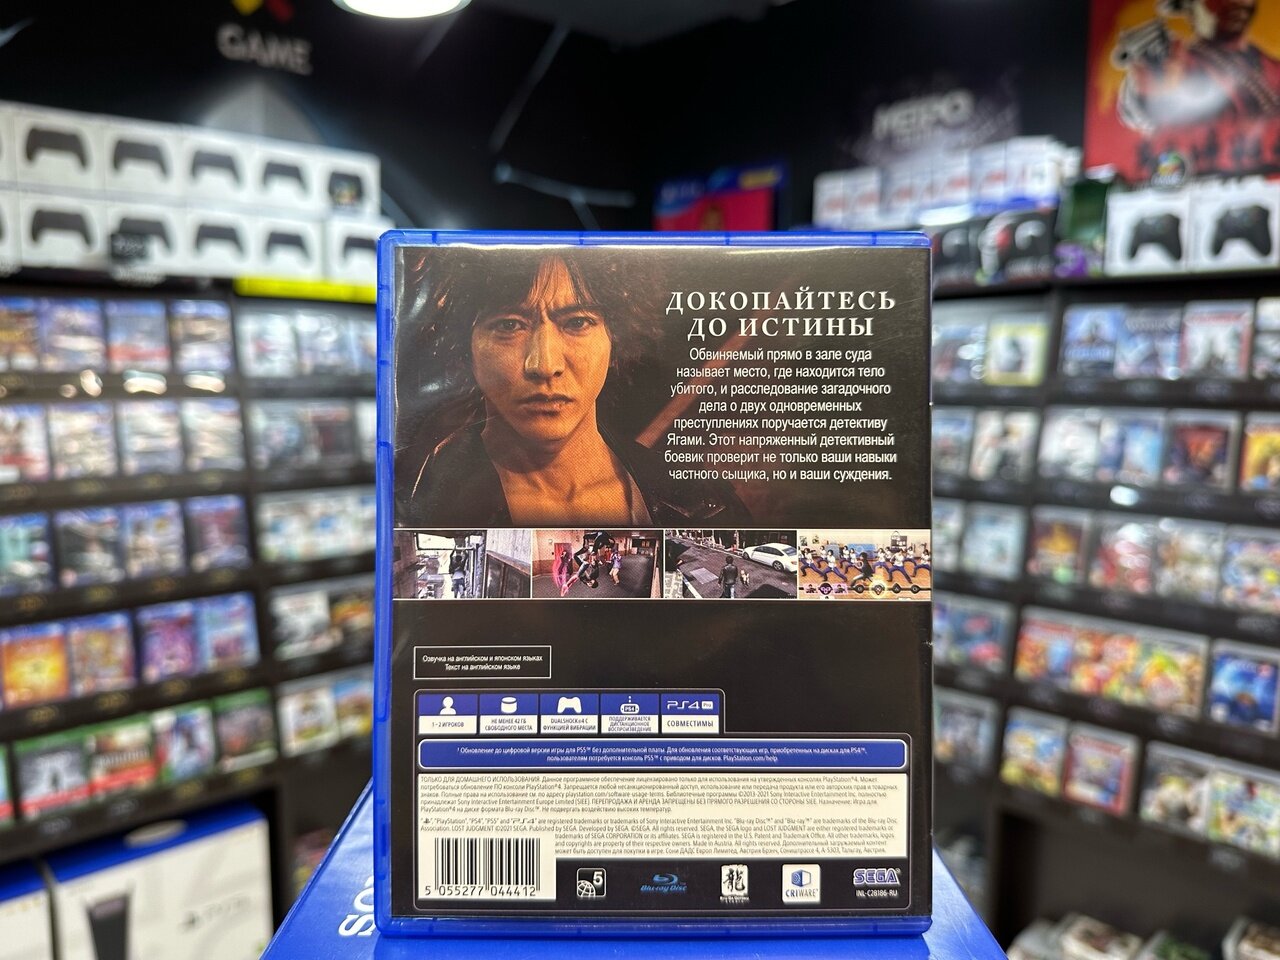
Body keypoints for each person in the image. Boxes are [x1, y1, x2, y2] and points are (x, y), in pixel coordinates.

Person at [398, 249, 750, 527]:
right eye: (509, 325)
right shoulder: (421, 507)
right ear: (466, 348)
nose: (544, 364)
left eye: (577, 322)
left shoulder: (702, 500)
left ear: (615, 340)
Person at [1114, 0, 1280, 133]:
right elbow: (1139, 114)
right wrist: (1154, 94)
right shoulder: (1174, 63)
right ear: (1191, 8)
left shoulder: (1271, 66)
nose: (1234, 2)